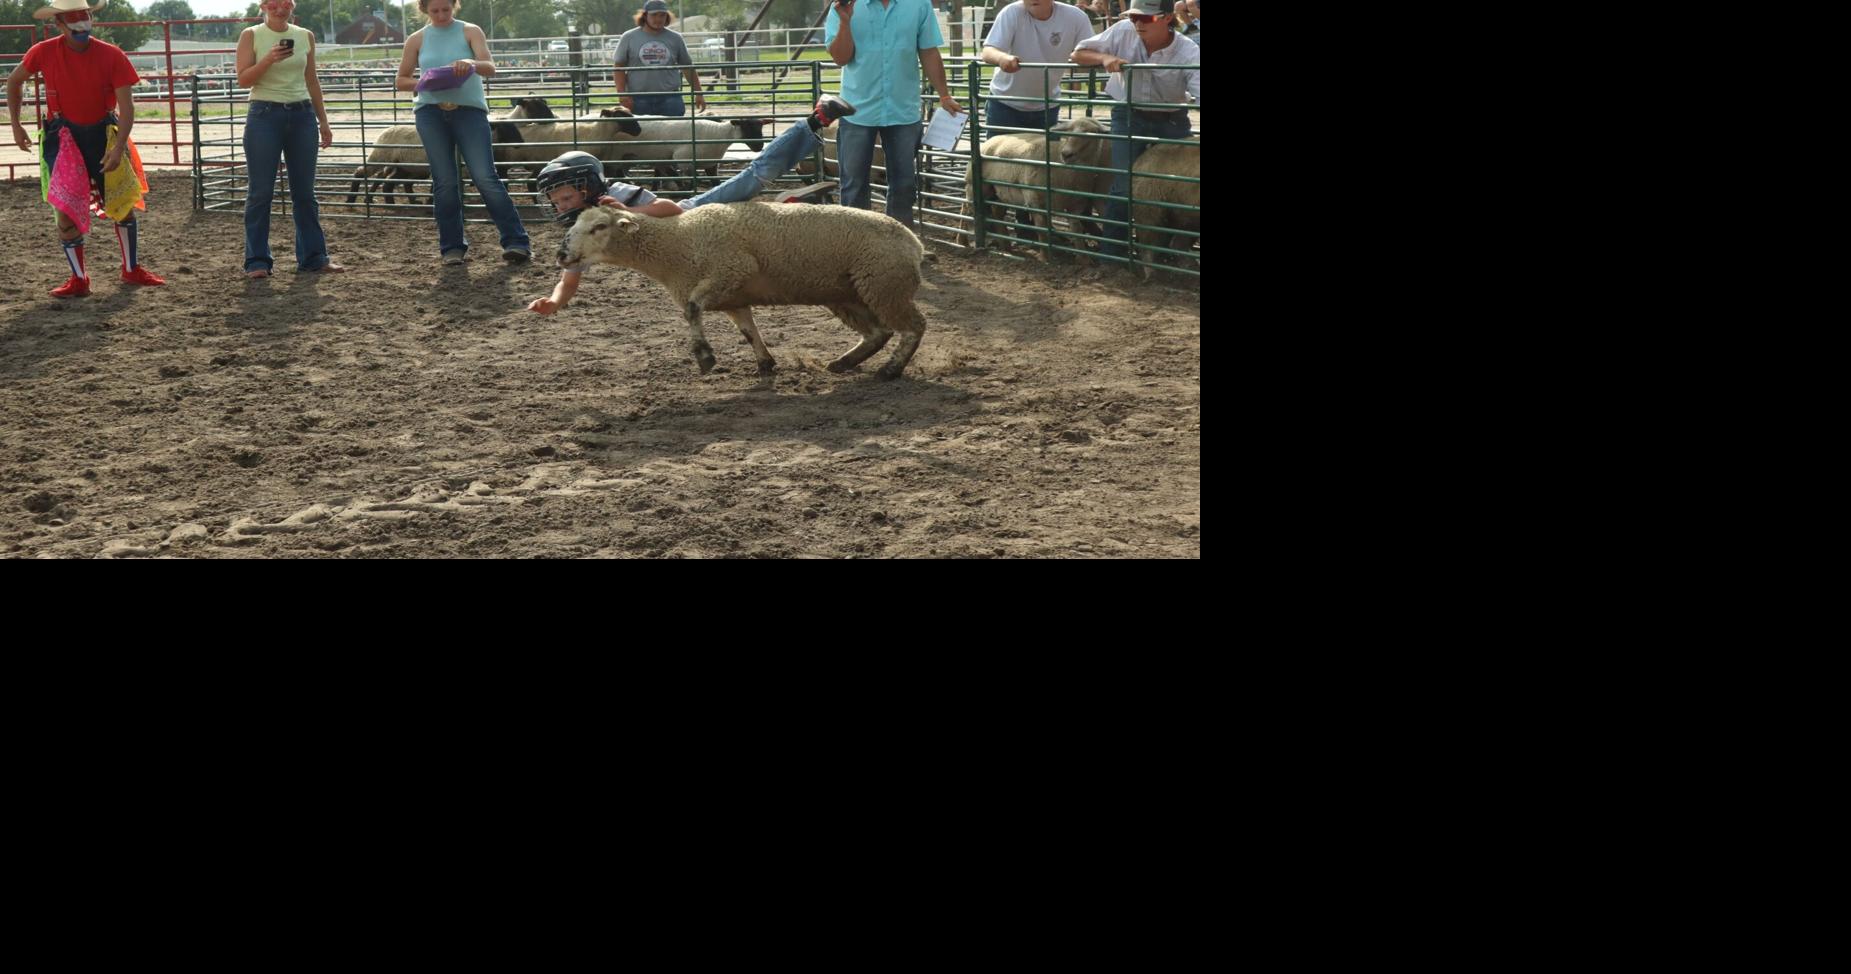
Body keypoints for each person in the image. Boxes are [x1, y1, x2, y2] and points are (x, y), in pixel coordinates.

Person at [526, 95, 856, 315]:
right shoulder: (584, 230)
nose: (561, 207)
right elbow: (569, 277)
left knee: (753, 176)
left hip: (695, 214)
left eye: (566, 198)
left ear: (588, 187)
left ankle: (816, 119)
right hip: (693, 247)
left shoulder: (616, 195)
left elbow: (671, 210)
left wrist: (627, 213)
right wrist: (554, 302)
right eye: (555, 202)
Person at [6, 0, 165, 298]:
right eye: (73, 19)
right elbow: (14, 82)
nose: (81, 25)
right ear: (59, 24)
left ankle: (130, 268)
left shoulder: (111, 55)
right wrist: (16, 124)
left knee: (122, 203)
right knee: (65, 210)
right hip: (62, 136)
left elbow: (127, 106)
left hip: (104, 135)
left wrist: (118, 147)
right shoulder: (43, 51)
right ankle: (79, 278)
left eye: (85, 17)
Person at [395, 0, 530, 266]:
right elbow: (401, 80)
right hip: (430, 112)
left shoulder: (470, 31)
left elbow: (490, 67)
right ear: (424, 10)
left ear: (454, 6)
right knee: (444, 181)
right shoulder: (416, 39)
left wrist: (471, 63)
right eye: (435, 11)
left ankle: (516, 241)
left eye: (445, 9)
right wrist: (425, 82)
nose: (441, 15)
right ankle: (451, 247)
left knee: (485, 176)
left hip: (469, 112)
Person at [1070, 0, 1197, 260]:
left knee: (1180, 185)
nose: (1138, 23)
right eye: (1133, 17)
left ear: (1167, 18)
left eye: (1146, 18)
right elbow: (1078, 54)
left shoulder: (1188, 51)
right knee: (1124, 184)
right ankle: (1112, 257)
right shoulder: (1122, 31)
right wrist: (1104, 57)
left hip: (1171, 119)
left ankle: (1167, 255)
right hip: (1129, 115)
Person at [825, 0, 962, 229]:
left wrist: (944, 95)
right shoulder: (842, 6)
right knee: (854, 184)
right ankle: (855, 243)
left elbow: (928, 51)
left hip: (903, 108)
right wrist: (845, 22)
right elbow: (840, 58)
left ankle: (898, 244)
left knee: (904, 184)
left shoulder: (918, 5)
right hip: (857, 109)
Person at [236, 0, 345, 279]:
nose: (279, 8)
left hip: (302, 114)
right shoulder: (251, 35)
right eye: (273, 3)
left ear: (292, 6)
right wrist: (268, 59)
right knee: (260, 192)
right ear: (263, 6)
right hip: (264, 114)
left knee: (305, 193)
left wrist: (323, 120)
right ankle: (257, 261)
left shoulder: (305, 35)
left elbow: (312, 80)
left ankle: (314, 257)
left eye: (285, 3)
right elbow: (244, 79)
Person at [979, 0, 1096, 131]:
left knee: (1045, 146)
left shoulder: (1076, 17)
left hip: (1047, 105)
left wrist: (1102, 58)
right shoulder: (1011, 12)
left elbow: (1089, 50)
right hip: (1005, 103)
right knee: (999, 146)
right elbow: (988, 50)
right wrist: (1002, 58)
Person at [612, 0, 705, 117]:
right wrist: (622, 94)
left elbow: (687, 67)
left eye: (662, 15)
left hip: (670, 98)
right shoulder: (628, 37)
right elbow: (619, 66)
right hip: (639, 98)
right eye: (654, 15)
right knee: (641, 130)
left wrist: (698, 93)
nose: (658, 19)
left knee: (674, 129)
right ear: (645, 16)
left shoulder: (676, 38)